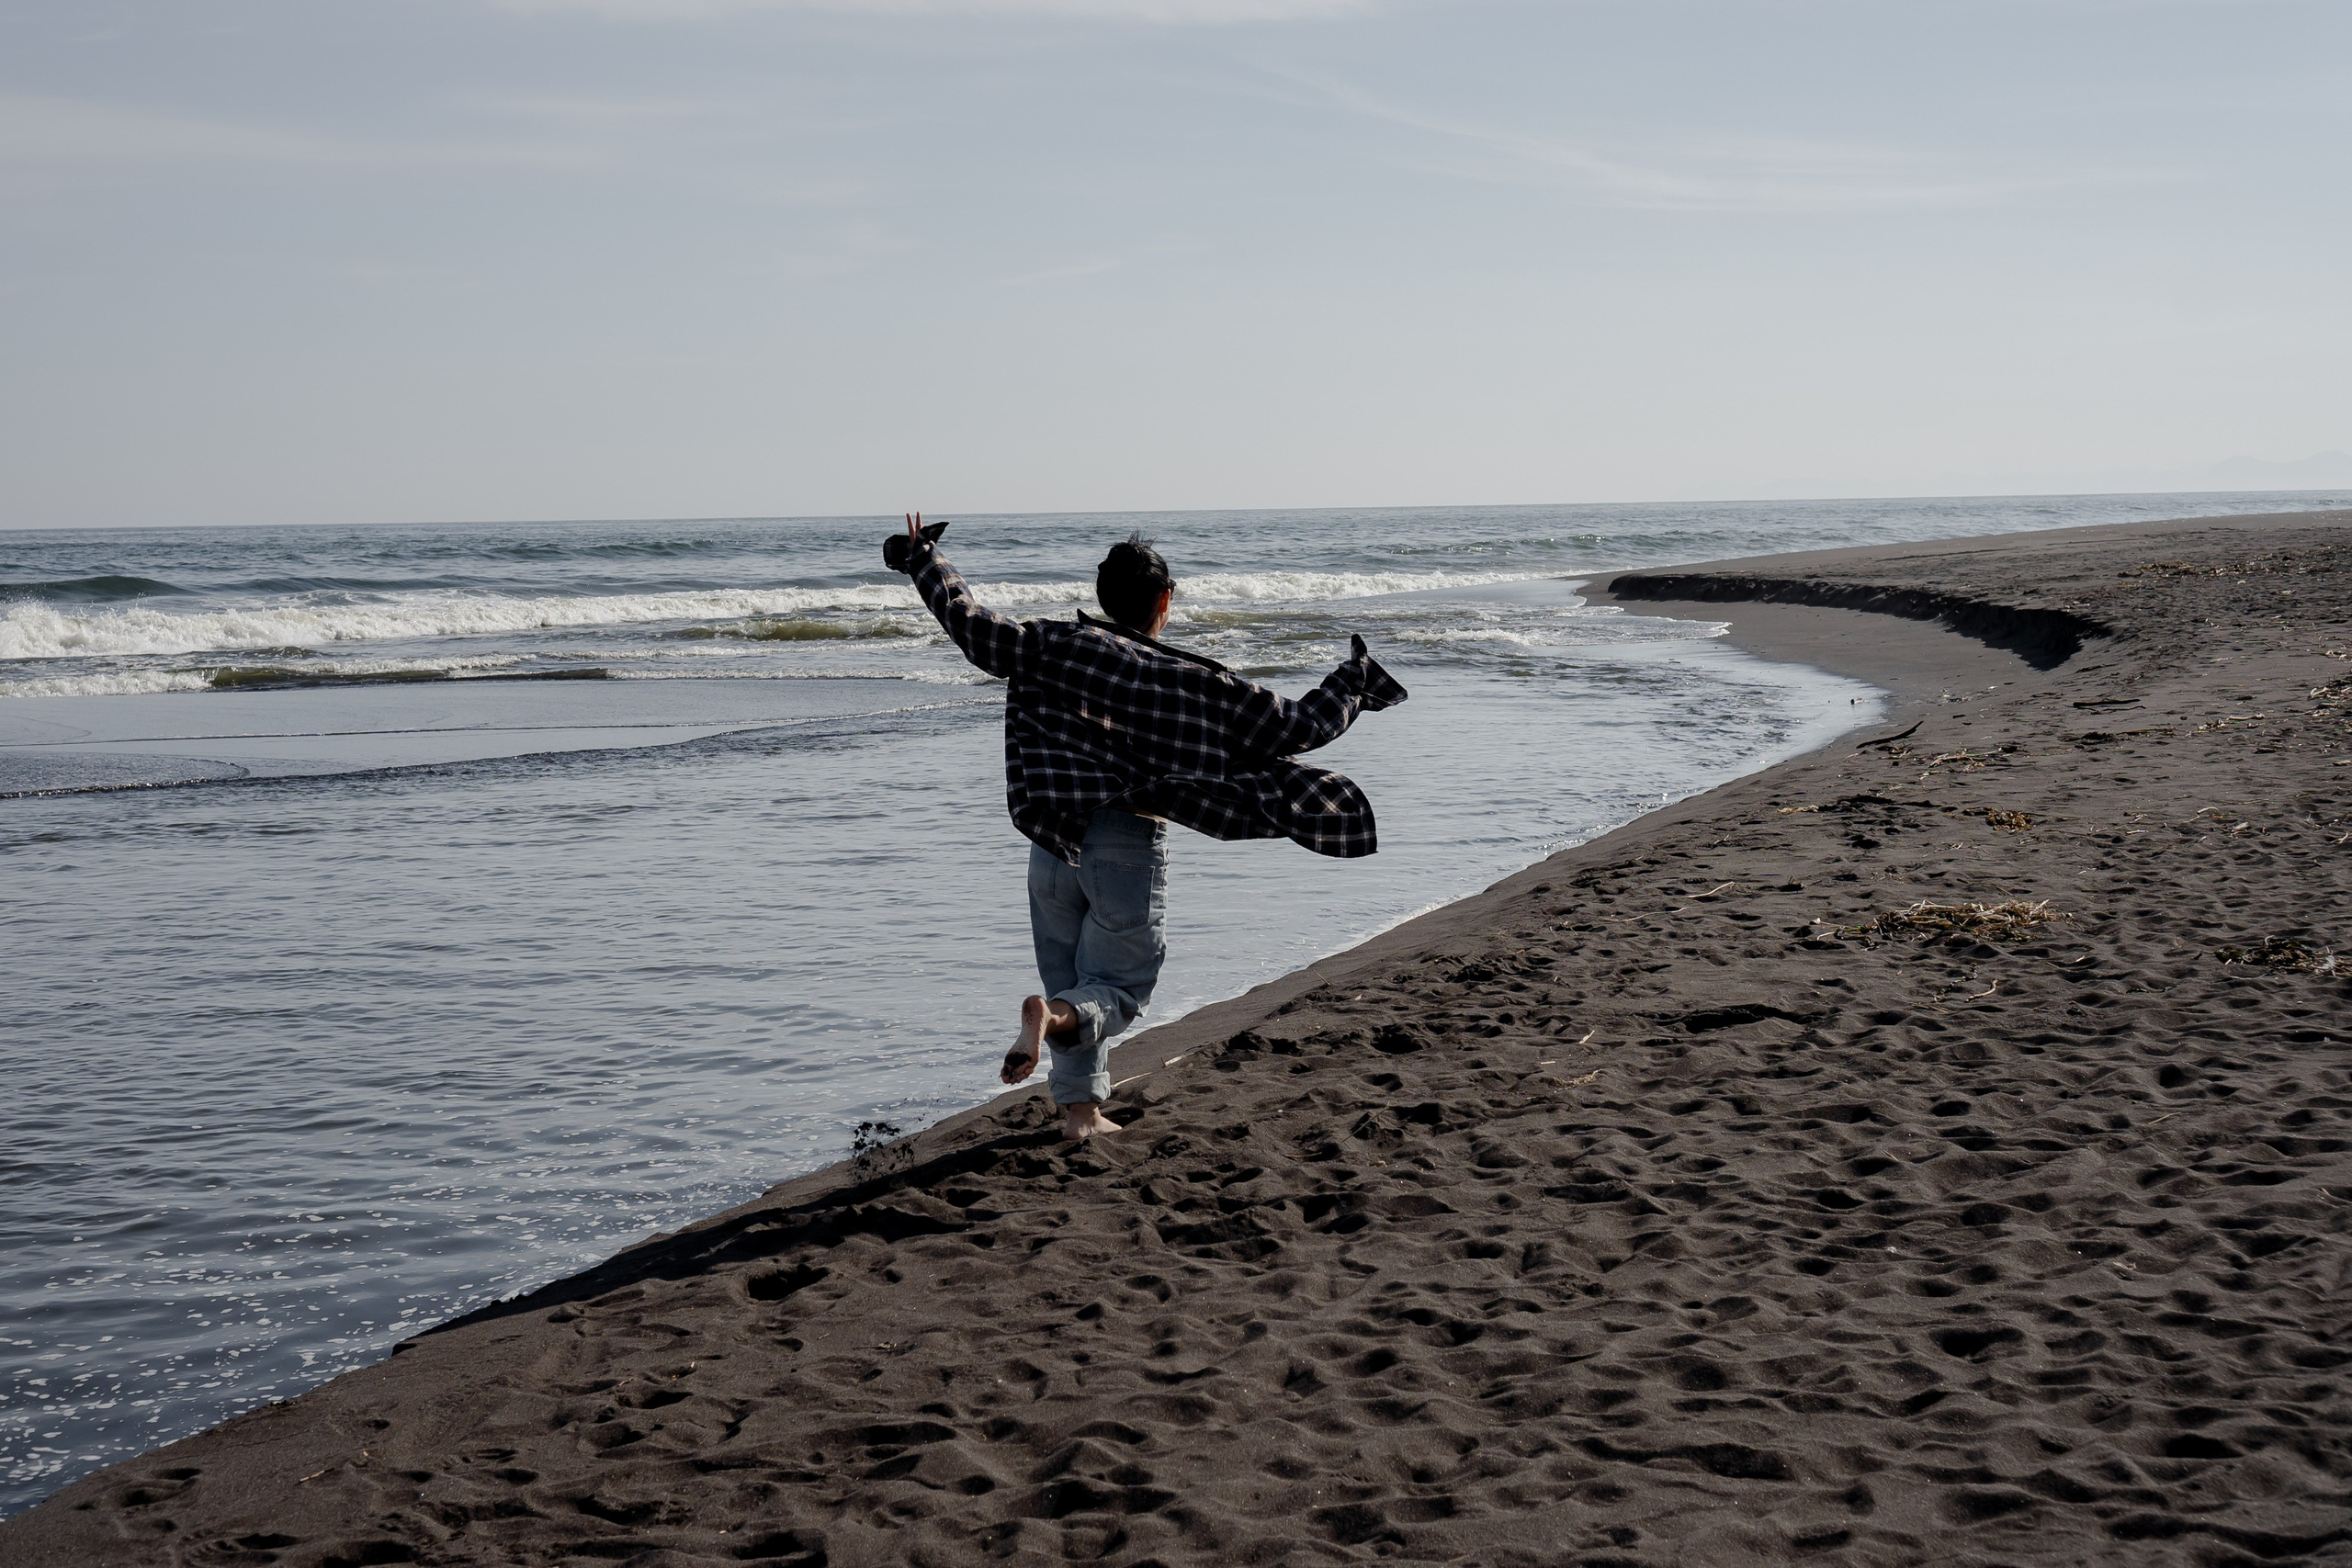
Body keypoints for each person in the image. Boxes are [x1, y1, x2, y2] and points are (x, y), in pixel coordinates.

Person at [886, 513, 1408, 1141]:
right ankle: (1049, 1022)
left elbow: (971, 626)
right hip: (1125, 844)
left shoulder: (1052, 642)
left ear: (1103, 598)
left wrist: (925, 558)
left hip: (1051, 842)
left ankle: (1081, 1115)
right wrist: (1355, 681)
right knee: (1120, 988)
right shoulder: (1196, 684)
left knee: (1072, 978)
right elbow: (1297, 726)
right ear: (1164, 600)